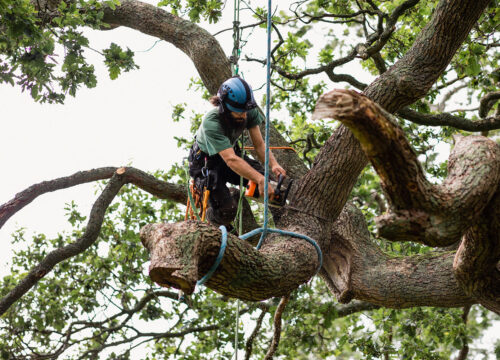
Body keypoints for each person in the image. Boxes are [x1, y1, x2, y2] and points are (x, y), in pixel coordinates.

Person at [188, 76, 286, 226]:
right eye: (239, 112)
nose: (244, 115)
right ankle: (212, 216)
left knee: (270, 185)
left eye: (245, 111)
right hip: (207, 165)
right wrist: (259, 179)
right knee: (227, 210)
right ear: (223, 107)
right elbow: (231, 160)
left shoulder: (247, 109)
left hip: (231, 154)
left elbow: (259, 144)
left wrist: (273, 164)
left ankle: (282, 220)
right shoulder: (211, 122)